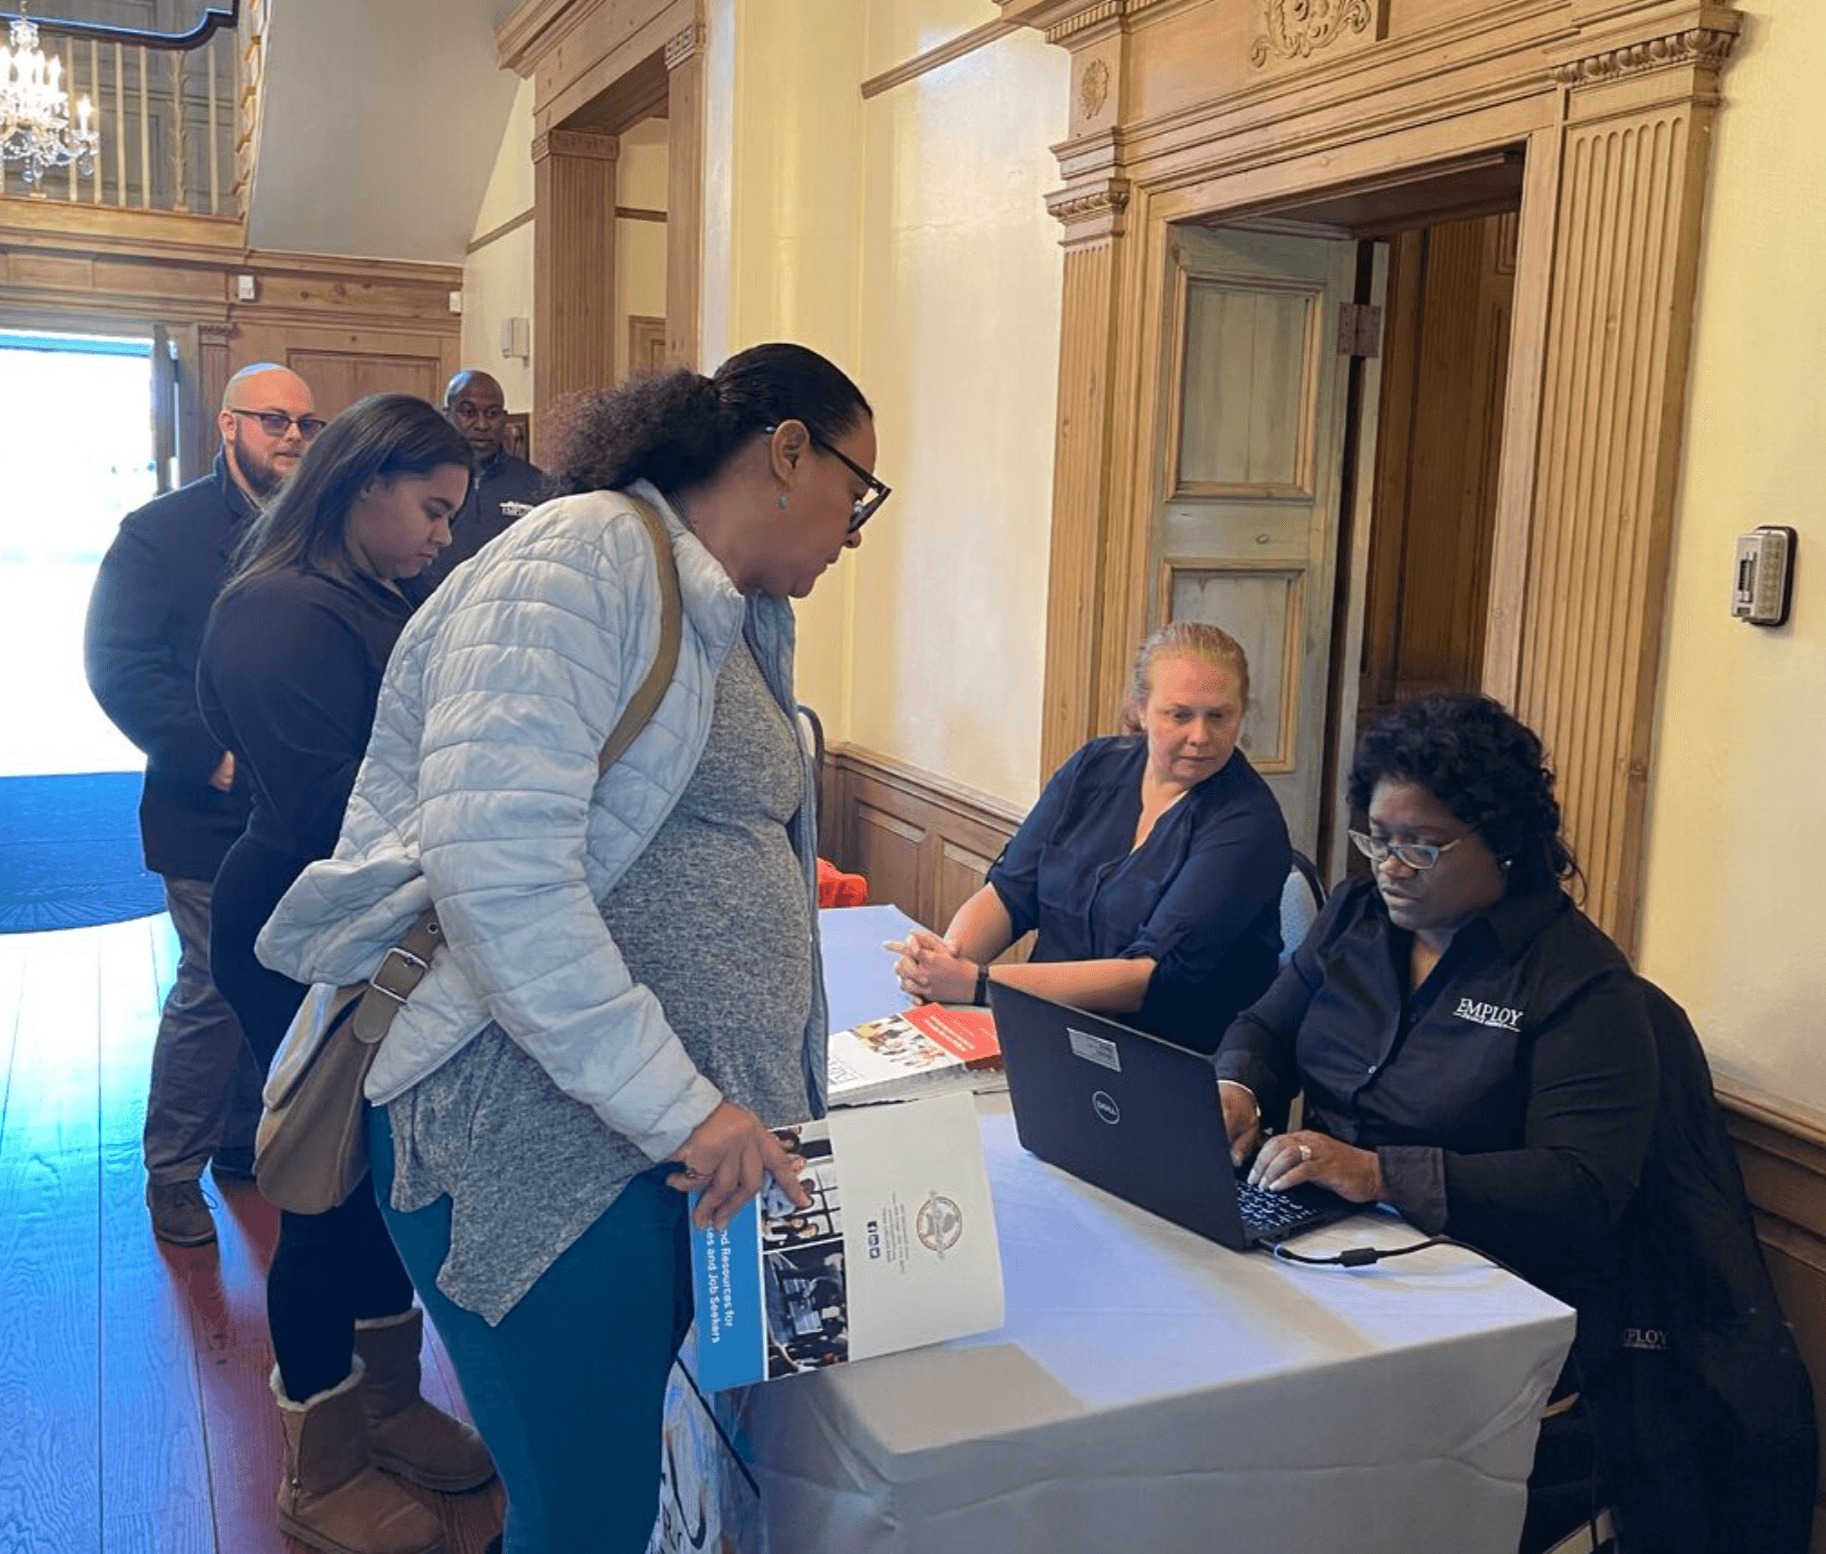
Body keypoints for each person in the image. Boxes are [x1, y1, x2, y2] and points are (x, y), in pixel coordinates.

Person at [254, 343, 888, 1553]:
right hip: (541, 1147)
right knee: (583, 1518)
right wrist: (690, 1111)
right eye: (856, 491)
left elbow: (656, 824)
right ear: (788, 450)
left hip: (646, 1144)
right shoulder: (585, 555)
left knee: (619, 1492)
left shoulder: (720, 598)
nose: (854, 529)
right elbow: (499, 876)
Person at [1211, 693, 1659, 1543]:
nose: (1391, 866)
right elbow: (1264, 1027)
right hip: (1328, 1240)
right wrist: (1238, 1086)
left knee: (1256, 1418)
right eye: (1376, 838)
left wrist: (1379, 1172)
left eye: (1421, 845)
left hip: (1481, 1291)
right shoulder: (1354, 918)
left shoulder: (1578, 984)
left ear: (1507, 842)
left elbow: (1583, 1183)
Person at [198, 393, 492, 1554]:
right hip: (296, 935)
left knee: (378, 1181)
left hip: (374, 934)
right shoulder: (276, 612)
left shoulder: (376, 592)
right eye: (429, 508)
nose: (440, 536)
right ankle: (315, 1467)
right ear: (363, 484)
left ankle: (385, 1402)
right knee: (319, 1198)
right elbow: (338, 813)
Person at [84, 361, 320, 1246]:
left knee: (276, 976)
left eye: (305, 423)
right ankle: (171, 1172)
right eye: (274, 421)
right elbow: (119, 664)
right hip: (207, 809)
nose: (294, 437)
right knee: (214, 988)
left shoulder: (317, 529)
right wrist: (210, 759)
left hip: (298, 808)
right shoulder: (160, 534)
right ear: (228, 427)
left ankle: (237, 1140)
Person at [892, 622, 1291, 1054]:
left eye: (1219, 716)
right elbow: (1012, 891)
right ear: (1141, 709)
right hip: (1043, 1028)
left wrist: (977, 984)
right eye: (1179, 715)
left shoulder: (1249, 823)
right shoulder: (1094, 767)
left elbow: (1148, 977)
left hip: (1160, 1058)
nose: (1200, 736)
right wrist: (942, 964)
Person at [414, 368, 545, 592]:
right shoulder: (417, 479)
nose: (482, 425)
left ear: (504, 418)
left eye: (492, 414)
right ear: (446, 414)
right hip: (425, 614)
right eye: (469, 412)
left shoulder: (538, 485)